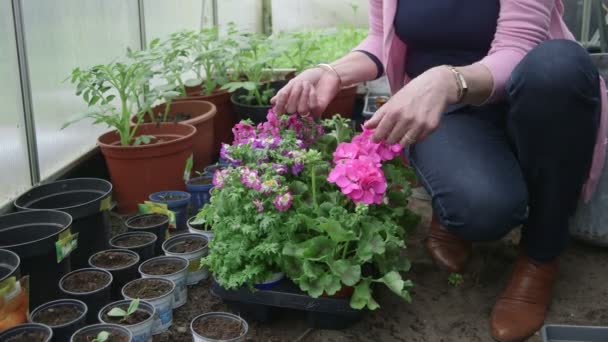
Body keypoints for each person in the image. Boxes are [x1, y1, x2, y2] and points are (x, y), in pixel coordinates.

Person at [271, 1, 608, 341]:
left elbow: (517, 49)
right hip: (445, 107)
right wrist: (333, 71)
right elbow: (380, 37)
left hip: (533, 98)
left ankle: (540, 255)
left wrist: (449, 78)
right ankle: (455, 199)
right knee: (483, 210)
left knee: (558, 69)